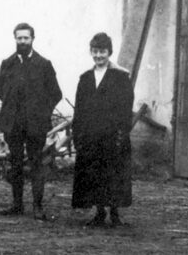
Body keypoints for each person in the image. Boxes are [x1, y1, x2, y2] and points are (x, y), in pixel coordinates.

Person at [0, 22, 62, 220]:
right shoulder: (7, 64)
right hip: (13, 124)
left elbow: (55, 93)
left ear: (33, 39)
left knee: (36, 164)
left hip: (36, 124)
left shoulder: (44, 64)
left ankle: (37, 206)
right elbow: (1, 92)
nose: (22, 41)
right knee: (15, 164)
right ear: (14, 39)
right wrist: (12, 110)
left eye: (26, 38)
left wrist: (42, 112)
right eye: (19, 38)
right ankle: (17, 205)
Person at [71, 32, 134, 227]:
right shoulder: (86, 78)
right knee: (94, 174)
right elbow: (79, 109)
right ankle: (99, 212)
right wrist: (78, 135)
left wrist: (121, 134)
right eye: (95, 51)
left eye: (103, 52)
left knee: (114, 173)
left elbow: (125, 108)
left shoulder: (120, 77)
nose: (99, 56)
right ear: (91, 52)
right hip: (90, 136)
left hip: (112, 135)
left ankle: (114, 214)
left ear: (109, 52)